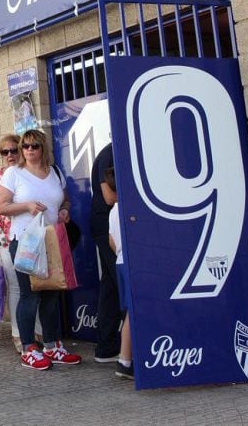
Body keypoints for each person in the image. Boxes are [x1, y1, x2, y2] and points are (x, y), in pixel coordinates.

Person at [0, 128, 82, 370]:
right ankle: (28, 347)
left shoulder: (53, 172)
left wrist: (64, 210)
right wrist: (27, 205)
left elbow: (64, 199)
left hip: (51, 240)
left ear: (43, 148)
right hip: (25, 241)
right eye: (25, 146)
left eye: (34, 145)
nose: (29, 150)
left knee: (52, 293)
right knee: (30, 293)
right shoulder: (14, 173)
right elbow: (0, 206)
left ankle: (52, 345)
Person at [0, 134, 28, 351]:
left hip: (32, 239)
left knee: (37, 286)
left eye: (13, 150)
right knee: (17, 287)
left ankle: (37, 332)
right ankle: (18, 334)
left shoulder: (31, 173)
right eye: (5, 152)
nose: (10, 155)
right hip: (6, 240)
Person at [90, 142, 120, 363]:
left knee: (110, 286)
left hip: (108, 225)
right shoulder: (110, 153)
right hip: (107, 226)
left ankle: (107, 347)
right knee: (121, 283)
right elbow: (109, 197)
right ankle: (128, 348)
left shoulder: (114, 150)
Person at [107, 166, 133, 379]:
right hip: (132, 264)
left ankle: (126, 359)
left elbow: (111, 240)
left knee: (130, 313)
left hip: (121, 261)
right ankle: (125, 360)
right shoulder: (128, 207)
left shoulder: (114, 209)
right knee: (134, 313)